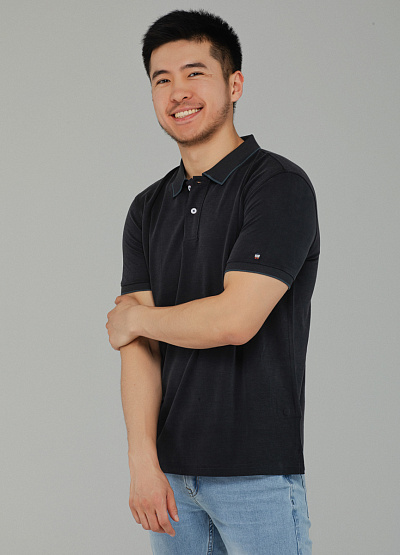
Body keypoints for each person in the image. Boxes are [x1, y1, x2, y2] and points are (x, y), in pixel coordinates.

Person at [106, 8, 319, 554]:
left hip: (256, 474)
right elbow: (138, 350)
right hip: (170, 480)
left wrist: (137, 318)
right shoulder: (146, 208)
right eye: (162, 79)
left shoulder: (279, 186)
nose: (178, 91)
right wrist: (142, 463)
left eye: (195, 73)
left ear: (234, 84)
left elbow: (234, 320)